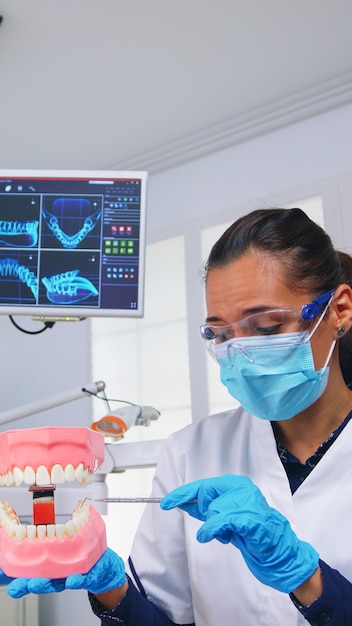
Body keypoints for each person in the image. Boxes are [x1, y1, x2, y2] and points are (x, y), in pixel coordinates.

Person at [2, 207, 352, 625]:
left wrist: (308, 579)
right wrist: (110, 588)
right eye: (220, 334)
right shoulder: (191, 451)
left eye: (266, 328)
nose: (238, 354)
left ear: (340, 310)